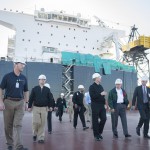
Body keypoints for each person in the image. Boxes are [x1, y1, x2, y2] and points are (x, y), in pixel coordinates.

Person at [0, 58, 29, 150]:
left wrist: (26, 102)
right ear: (16, 64)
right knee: (8, 125)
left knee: (18, 124)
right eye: (21, 64)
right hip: (8, 102)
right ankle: (9, 143)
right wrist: (0, 101)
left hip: (20, 103)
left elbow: (26, 91)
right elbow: (1, 89)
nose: (23, 66)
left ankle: (19, 146)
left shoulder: (24, 78)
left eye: (24, 64)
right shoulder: (7, 76)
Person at [28, 74, 54, 143]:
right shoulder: (34, 89)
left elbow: (50, 99)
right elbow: (31, 98)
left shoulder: (47, 90)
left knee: (42, 123)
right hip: (36, 108)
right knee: (36, 122)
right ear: (38, 80)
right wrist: (29, 106)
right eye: (41, 79)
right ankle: (34, 134)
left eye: (44, 79)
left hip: (44, 108)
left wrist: (50, 106)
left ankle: (41, 138)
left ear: (45, 80)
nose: (42, 80)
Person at [89, 73, 107, 141]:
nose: (101, 78)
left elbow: (102, 96)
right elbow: (92, 97)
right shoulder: (91, 87)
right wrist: (100, 94)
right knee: (95, 120)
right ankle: (96, 135)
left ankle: (99, 132)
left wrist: (104, 103)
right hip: (95, 105)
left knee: (104, 118)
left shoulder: (101, 86)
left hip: (101, 105)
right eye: (100, 77)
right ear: (96, 78)